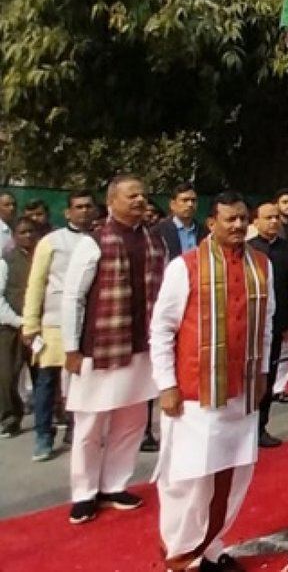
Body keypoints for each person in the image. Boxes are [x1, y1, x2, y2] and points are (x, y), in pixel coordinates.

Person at [151, 192, 272, 572]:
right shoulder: (184, 267)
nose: (238, 226)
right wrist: (166, 385)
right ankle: (181, 553)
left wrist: (264, 373)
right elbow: (162, 329)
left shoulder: (261, 265)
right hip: (194, 393)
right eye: (229, 220)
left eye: (242, 219)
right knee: (191, 477)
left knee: (235, 473)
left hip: (243, 388)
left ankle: (211, 546)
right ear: (211, 223)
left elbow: (266, 326)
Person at [61, 175, 167, 524]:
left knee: (132, 422)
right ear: (112, 202)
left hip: (141, 348)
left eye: (143, 194)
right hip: (98, 350)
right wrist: (70, 348)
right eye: (132, 195)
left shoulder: (154, 241)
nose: (140, 200)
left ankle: (114, 485)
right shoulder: (94, 242)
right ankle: (84, 493)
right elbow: (74, 298)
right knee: (90, 425)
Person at [23, 190, 96, 461]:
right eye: (78, 207)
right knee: (46, 381)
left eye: (89, 206)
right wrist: (30, 324)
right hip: (53, 323)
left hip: (88, 323)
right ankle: (43, 435)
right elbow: (36, 284)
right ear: (67, 212)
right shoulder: (51, 242)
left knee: (83, 381)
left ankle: (78, 431)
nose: (84, 211)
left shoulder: (100, 240)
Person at [247, 203, 288, 448]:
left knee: (268, 375)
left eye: (277, 217)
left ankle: (261, 427)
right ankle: (243, 428)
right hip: (250, 324)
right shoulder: (249, 250)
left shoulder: (287, 250)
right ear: (255, 221)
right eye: (268, 217)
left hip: (276, 324)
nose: (274, 221)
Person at [1, 217, 41, 438]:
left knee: (42, 375)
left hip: (38, 326)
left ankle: (49, 417)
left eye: (31, 232)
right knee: (7, 375)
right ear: (14, 236)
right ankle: (10, 418)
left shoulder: (42, 257)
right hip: (10, 327)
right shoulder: (5, 262)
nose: (27, 236)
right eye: (23, 232)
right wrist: (21, 322)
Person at [154, 184, 202, 259]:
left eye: (193, 200)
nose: (190, 204)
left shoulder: (204, 232)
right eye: (185, 200)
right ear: (172, 204)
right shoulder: (158, 232)